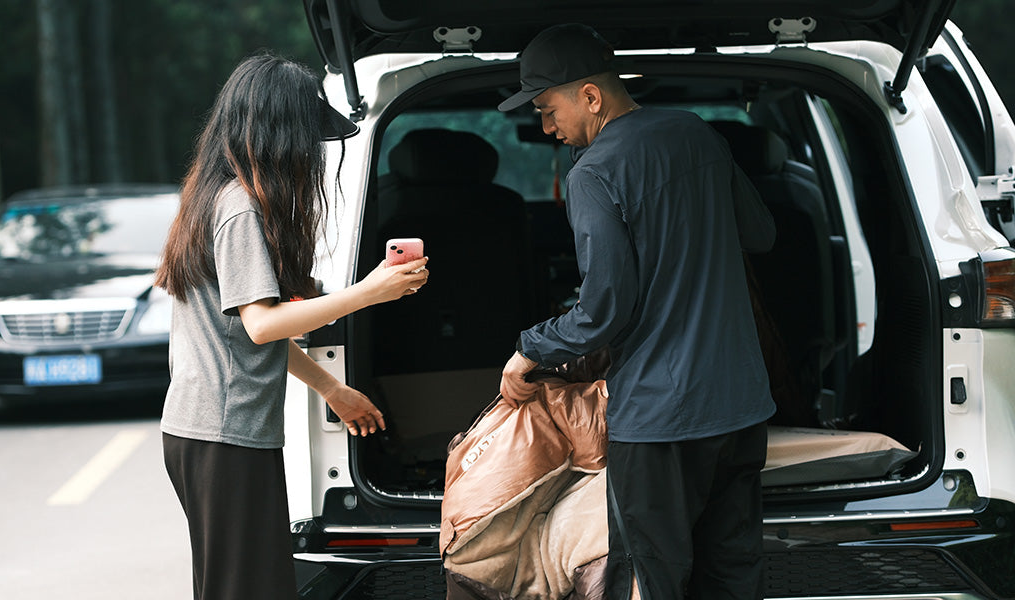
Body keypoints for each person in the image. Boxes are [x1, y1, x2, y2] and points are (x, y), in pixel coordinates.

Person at [496, 24, 776, 600]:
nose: (546, 127)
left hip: (659, 421)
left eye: (548, 110)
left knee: (651, 580)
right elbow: (762, 233)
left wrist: (530, 349)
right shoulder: (697, 134)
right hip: (742, 407)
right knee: (733, 573)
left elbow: (602, 312)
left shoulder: (593, 172)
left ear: (591, 97)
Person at [154, 52, 430, 600]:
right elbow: (262, 325)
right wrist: (368, 293)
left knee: (241, 584)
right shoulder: (238, 207)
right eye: (306, 137)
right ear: (279, 131)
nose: (310, 154)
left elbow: (246, 334)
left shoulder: (217, 194)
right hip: (223, 435)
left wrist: (331, 387)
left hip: (211, 432)